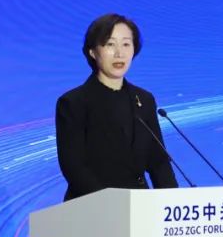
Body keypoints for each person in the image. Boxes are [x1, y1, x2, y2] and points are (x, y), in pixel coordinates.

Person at [55, 13, 178, 200]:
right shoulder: (74, 103)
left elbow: (158, 161)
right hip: (92, 206)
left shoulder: (144, 100)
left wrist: (173, 204)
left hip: (139, 205)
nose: (119, 53)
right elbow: (74, 167)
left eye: (126, 44)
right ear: (93, 52)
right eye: (110, 44)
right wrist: (110, 203)